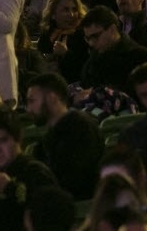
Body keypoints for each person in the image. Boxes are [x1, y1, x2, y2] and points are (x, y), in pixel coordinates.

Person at [26, 72, 104, 200]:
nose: (29, 109)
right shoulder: (51, 134)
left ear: (52, 98)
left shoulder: (81, 128)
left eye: (32, 101)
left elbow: (73, 180)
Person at [77, 5, 147, 95]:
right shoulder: (92, 63)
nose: (91, 43)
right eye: (87, 39)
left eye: (95, 36)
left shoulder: (141, 57)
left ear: (112, 30)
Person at [36, 0, 89, 84]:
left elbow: (86, 69)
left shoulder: (84, 35)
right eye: (66, 10)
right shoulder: (47, 34)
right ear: (53, 14)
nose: (72, 15)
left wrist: (66, 54)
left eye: (74, 9)